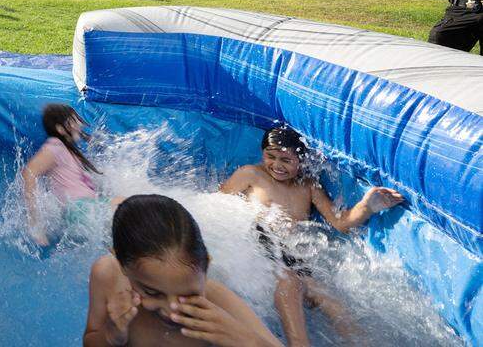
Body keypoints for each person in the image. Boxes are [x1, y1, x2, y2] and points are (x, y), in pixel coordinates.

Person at [219, 126, 404, 347]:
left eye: (286, 160)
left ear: (301, 160)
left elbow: (340, 223)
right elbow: (218, 204)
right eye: (270, 156)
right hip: (258, 241)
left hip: (291, 253)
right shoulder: (251, 174)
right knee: (290, 282)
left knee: (332, 303)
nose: (277, 165)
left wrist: (368, 206)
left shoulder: (308, 186)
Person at [83, 195, 282, 347]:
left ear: (207, 266)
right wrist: (111, 335)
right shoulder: (107, 275)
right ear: (121, 263)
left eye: (189, 295)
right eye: (152, 292)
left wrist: (245, 340)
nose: (172, 310)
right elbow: (91, 339)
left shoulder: (218, 303)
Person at [20, 104, 102, 246]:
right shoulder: (55, 146)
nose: (79, 124)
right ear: (60, 129)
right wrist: (35, 225)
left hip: (84, 209)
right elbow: (28, 173)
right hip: (80, 209)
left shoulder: (66, 149)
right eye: (73, 121)